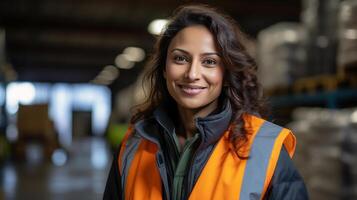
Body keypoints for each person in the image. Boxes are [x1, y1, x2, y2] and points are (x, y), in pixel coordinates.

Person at [104, 4, 308, 200]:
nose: (192, 74)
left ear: (226, 73)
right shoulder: (133, 145)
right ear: (164, 68)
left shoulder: (264, 148)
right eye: (180, 59)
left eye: (209, 62)